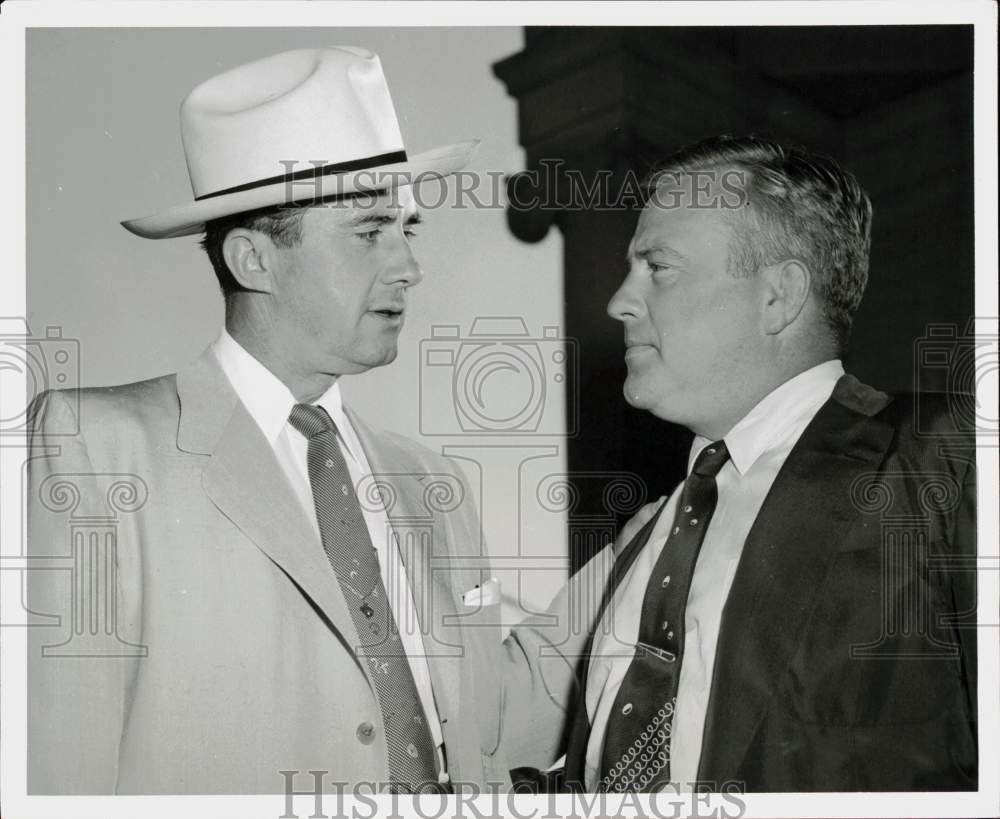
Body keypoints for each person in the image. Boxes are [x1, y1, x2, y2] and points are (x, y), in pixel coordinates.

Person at [26, 46, 510, 795]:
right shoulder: (93, 451)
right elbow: (58, 768)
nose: (409, 264)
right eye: (370, 228)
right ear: (254, 260)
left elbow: (496, 728)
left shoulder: (433, 481)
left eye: (409, 228)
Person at [505, 135, 977, 792]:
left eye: (658, 267)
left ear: (778, 296)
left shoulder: (944, 456)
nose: (619, 300)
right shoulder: (648, 535)